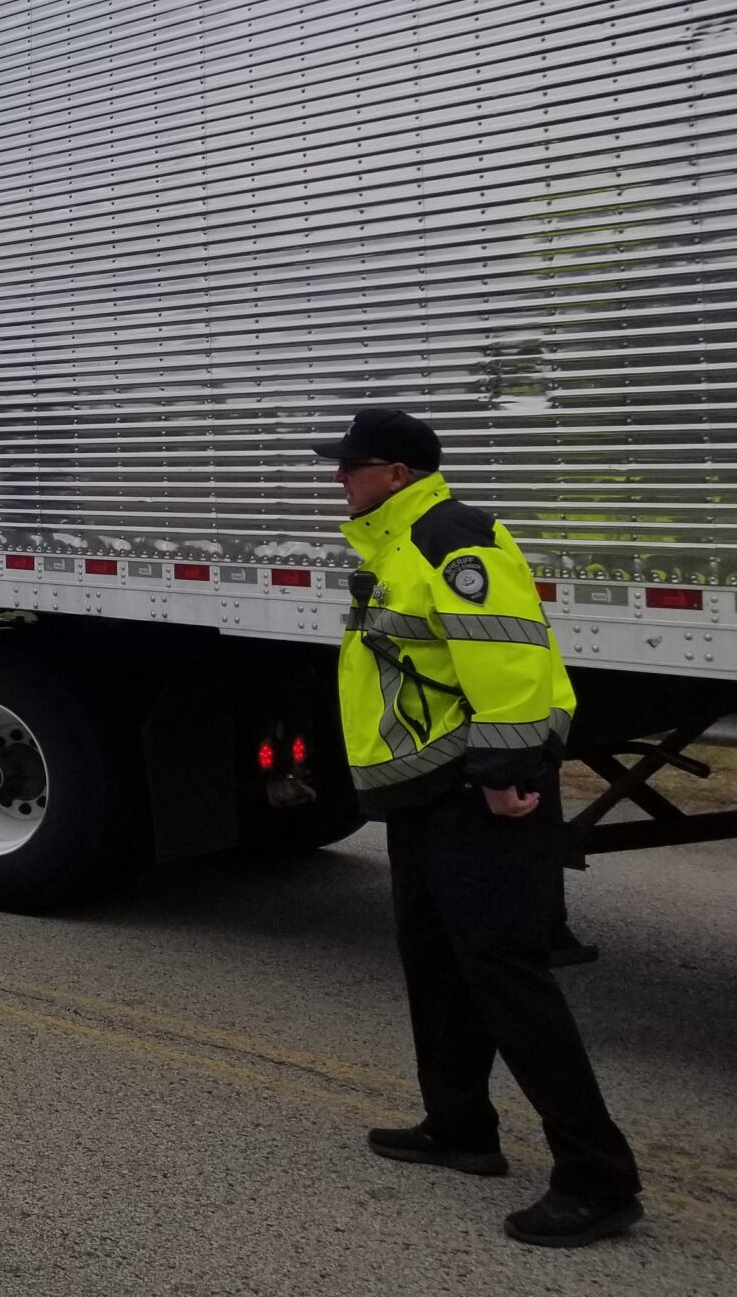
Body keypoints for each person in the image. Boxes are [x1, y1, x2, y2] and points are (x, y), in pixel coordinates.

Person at [316, 409, 641, 1247]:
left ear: (394, 472)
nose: (338, 479)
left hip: (475, 791)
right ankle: (459, 1127)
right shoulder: (395, 541)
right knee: (435, 960)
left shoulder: (451, 537)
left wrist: (506, 773)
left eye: (350, 467)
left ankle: (599, 1181)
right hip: (427, 790)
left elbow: (510, 659)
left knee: (506, 977)